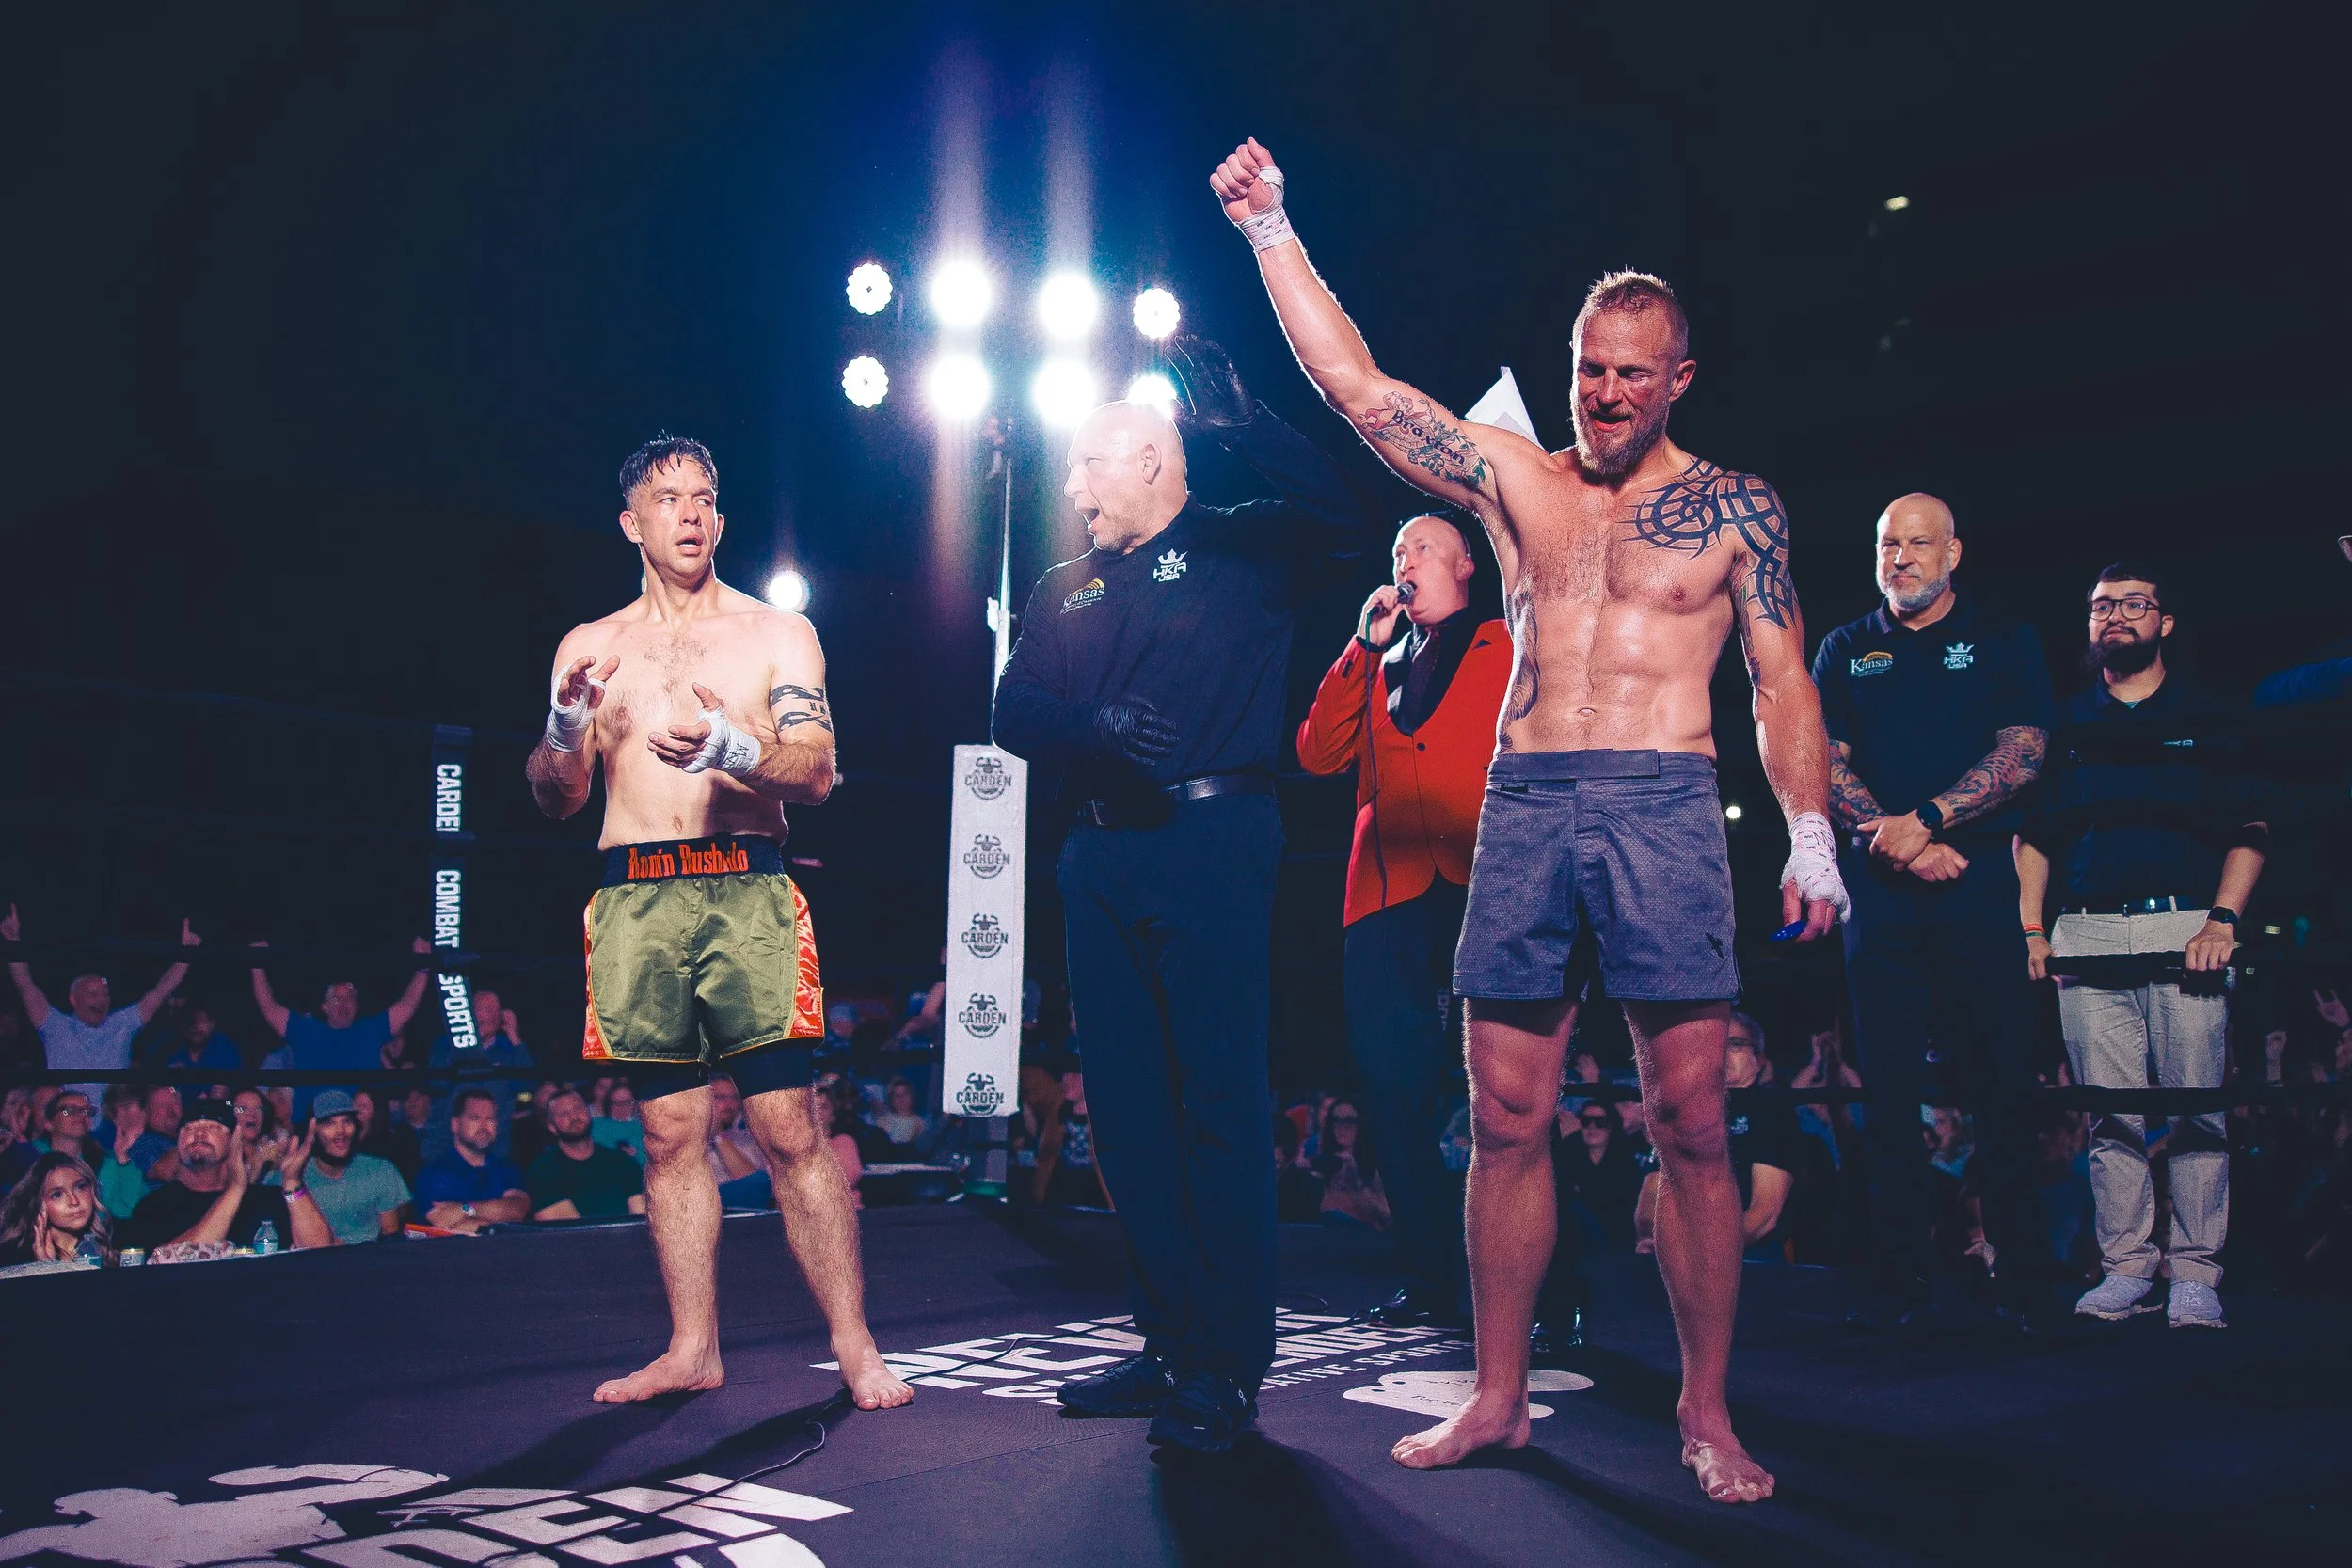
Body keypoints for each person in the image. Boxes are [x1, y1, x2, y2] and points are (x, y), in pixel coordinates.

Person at [1214, 139, 1843, 1498]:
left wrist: (1808, 830)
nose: (1608, 390)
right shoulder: (1516, 478)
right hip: (1530, 798)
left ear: (1679, 375)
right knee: (1504, 1110)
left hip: (1666, 797)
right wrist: (1273, 231)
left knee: (1689, 1116)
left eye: (1634, 369)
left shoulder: (1737, 507)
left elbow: (1781, 678)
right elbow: (1360, 390)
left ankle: (1709, 1409)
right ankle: (1497, 1394)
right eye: (1590, 365)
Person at [992, 345, 1377, 1452]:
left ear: (1153, 460)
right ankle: (1164, 1341)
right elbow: (1017, 709)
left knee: (1218, 1104)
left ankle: (1226, 1365)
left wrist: (1247, 424)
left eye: (1086, 467)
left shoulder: (1240, 542)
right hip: (1097, 856)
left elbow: (1341, 511)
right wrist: (1095, 728)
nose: (1071, 489)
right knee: (1124, 1112)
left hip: (1213, 837)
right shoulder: (1063, 584)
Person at [522, 433, 908, 1413]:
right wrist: (567, 728)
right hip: (632, 891)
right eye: (669, 497)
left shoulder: (776, 632)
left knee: (788, 1123)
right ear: (632, 521)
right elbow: (554, 799)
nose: (690, 513)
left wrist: (732, 746)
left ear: (721, 518)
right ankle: (692, 1345)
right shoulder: (588, 646)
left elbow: (816, 771)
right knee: (668, 1131)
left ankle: (856, 1345)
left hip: (744, 883)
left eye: (706, 497)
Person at [1811, 492, 2061, 1331]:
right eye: (1888, 543)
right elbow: (1822, 761)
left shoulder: (2001, 636)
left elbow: (2024, 751)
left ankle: (2026, 1281)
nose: (1901, 558)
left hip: (1978, 886)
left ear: (1954, 552)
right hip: (1882, 898)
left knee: (2002, 1092)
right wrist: (1900, 839)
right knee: (1886, 1095)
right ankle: (1898, 1284)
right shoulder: (1845, 647)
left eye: (1919, 543)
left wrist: (1931, 822)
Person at [2017, 564, 2268, 1329]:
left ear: (2165, 621)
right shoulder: (2062, 722)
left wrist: (2222, 919)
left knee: (2196, 1109)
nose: (2114, 617)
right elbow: (2035, 836)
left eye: (2132, 604)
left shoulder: (2210, 714)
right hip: (2086, 930)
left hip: (2183, 924)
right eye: (2100, 606)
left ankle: (2195, 1273)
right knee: (2109, 1115)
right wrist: (2034, 928)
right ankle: (2126, 1266)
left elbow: (2250, 828)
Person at [1295, 493, 1513, 1329]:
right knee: (1391, 1093)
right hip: (1384, 897)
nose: (1406, 562)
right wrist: (1360, 645)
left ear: (1465, 566)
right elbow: (1317, 755)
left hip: (1485, 885)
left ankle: (1553, 1290)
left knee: (1507, 1093)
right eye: (1398, 552)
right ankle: (1426, 1278)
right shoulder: (1377, 661)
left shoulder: (1506, 643)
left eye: (1422, 548)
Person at [4, 906, 200, 1103]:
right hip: (67, 1122)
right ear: (73, 999)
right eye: (92, 993)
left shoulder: (122, 1024)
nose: (101, 1000)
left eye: (105, 994)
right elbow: (25, 985)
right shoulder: (55, 1026)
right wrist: (13, 943)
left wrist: (185, 956)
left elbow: (160, 992)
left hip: (113, 1127)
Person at [118, 1098, 332, 1253]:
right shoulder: (154, 1206)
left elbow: (321, 1252)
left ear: (234, 1143)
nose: (199, 1134)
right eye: (189, 1129)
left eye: (213, 1127)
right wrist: (235, 1190)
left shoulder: (266, 1199)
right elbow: (163, 1264)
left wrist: (293, 1182)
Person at [249, 937, 433, 1116]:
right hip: (312, 1124)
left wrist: (422, 969)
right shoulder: (304, 1029)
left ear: (357, 1005)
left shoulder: (371, 1030)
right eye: (337, 999)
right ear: (324, 1006)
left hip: (363, 1128)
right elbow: (268, 1007)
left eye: (350, 998)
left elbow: (408, 1005)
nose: (344, 1004)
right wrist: (257, 965)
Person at [294, 1089, 412, 1244]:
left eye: (347, 1121)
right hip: (314, 1260)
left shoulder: (380, 1170)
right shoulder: (296, 1174)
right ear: (312, 1130)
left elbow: (391, 1237)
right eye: (330, 1123)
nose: (341, 1131)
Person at [412, 1086, 531, 1232]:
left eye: (490, 1119)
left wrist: (465, 1209)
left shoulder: (508, 1169)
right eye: (475, 1118)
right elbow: (442, 1220)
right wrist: (497, 1219)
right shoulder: (432, 1173)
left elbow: (517, 1210)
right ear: (455, 1125)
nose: (484, 1126)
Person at [524, 1086, 647, 1223]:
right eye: (563, 1113)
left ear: (589, 1113)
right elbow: (568, 1232)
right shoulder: (543, 1172)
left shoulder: (622, 1162)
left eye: (578, 1108)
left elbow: (641, 1217)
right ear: (552, 1127)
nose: (573, 1116)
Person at [1555, 1099, 1644, 1253]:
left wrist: (1574, 1138)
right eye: (1585, 1121)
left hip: (1615, 1247)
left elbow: (1600, 1198)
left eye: (1600, 1121)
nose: (1592, 1127)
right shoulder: (1567, 1158)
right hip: (1575, 1247)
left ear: (1611, 1125)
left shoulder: (1626, 1163)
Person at [0, 1151, 112, 1267]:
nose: (74, 1201)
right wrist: (45, 1269)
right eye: (57, 1195)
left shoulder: (107, 1250)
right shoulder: (14, 1257)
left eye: (80, 1187)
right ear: (39, 1203)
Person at [1314, 1100, 1390, 1229]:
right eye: (1336, 1120)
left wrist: (1356, 1183)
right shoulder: (1325, 1159)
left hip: (1364, 1238)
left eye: (1349, 1121)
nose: (1341, 1127)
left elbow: (1386, 1216)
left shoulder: (1378, 1165)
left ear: (1361, 1124)